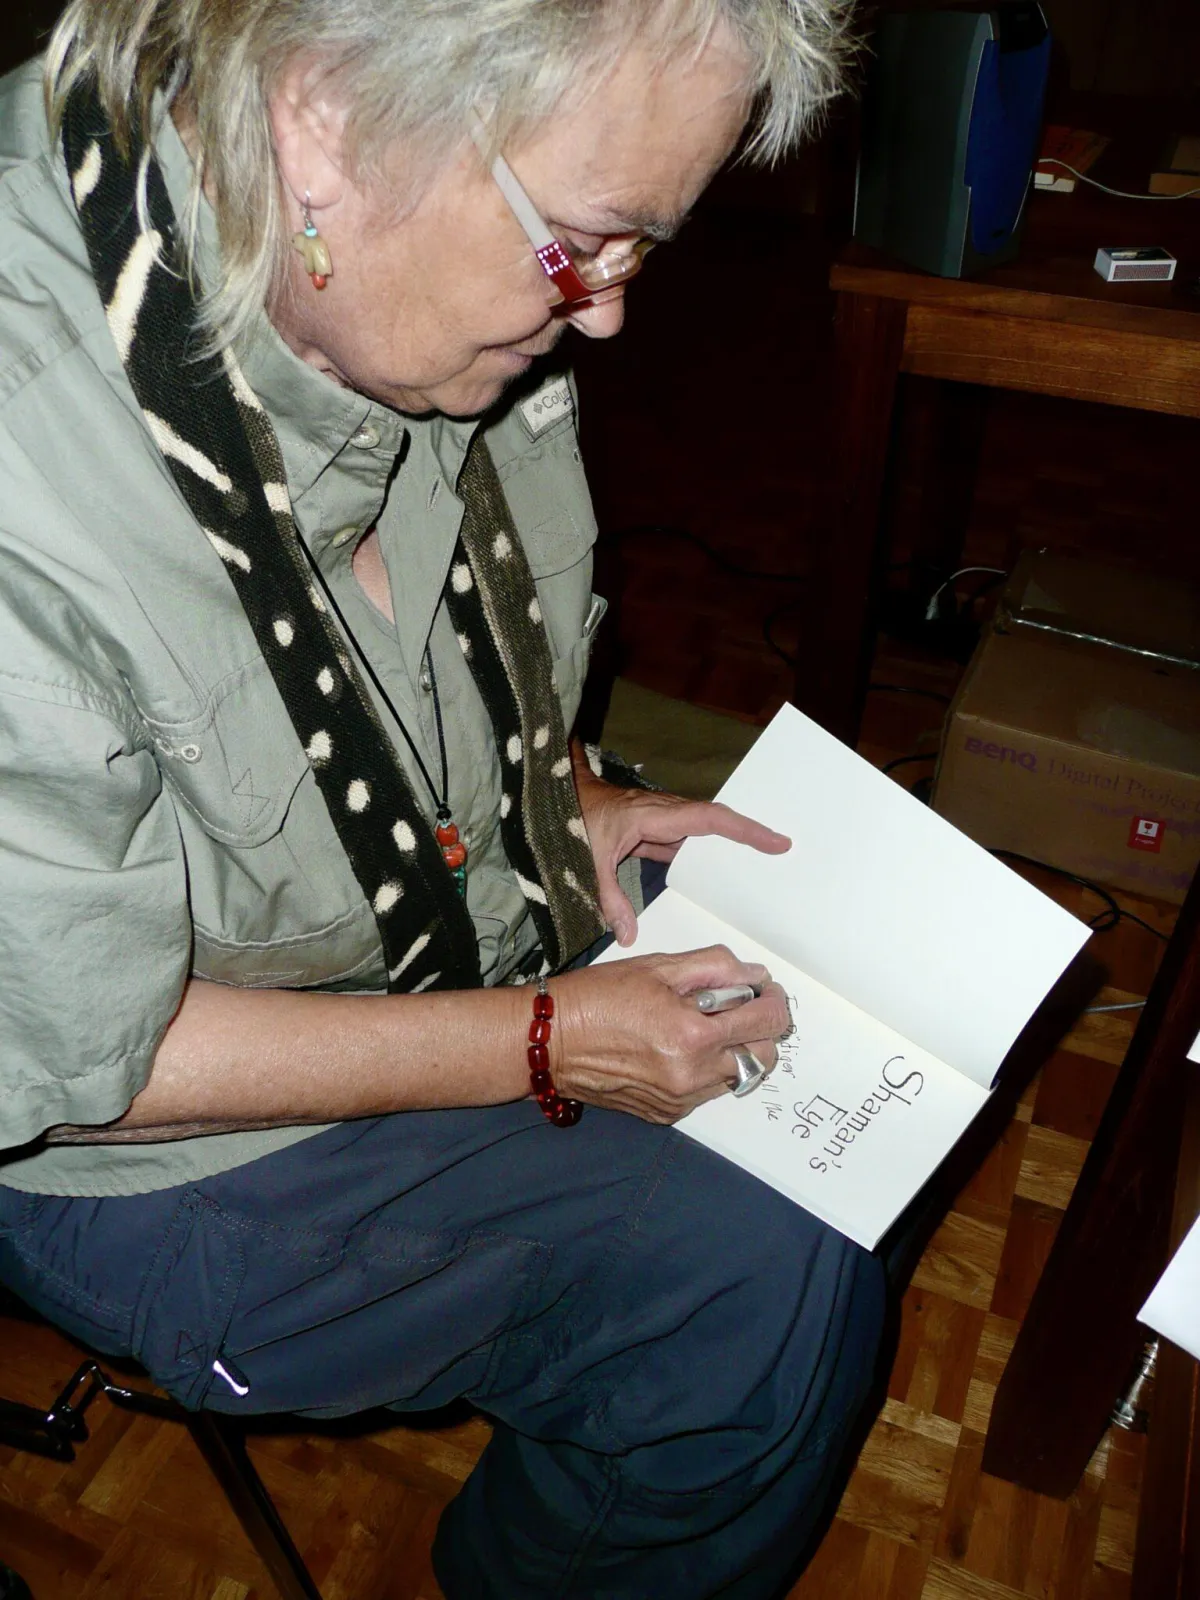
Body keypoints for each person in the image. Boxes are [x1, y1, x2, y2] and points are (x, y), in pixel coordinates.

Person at [0, 2, 884, 1594]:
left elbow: (382, 663)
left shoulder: (387, 263)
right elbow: (84, 1062)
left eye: (640, 248)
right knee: (770, 1276)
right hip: (152, 1143)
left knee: (847, 987)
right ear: (324, 118)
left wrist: (565, 792)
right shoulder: (23, 463)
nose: (605, 317)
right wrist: (548, 1039)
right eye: (587, 244)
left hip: (415, 921)